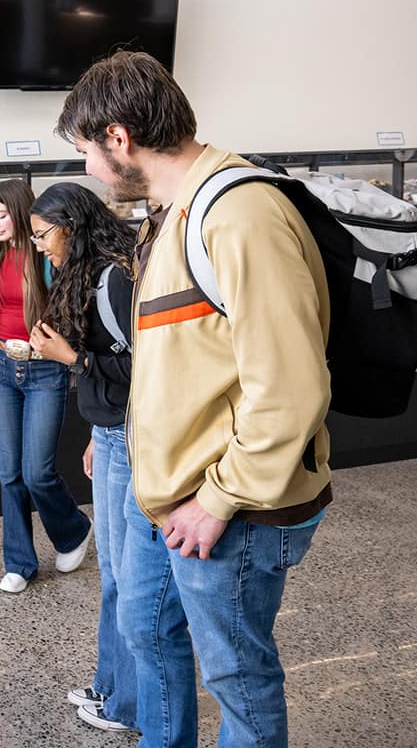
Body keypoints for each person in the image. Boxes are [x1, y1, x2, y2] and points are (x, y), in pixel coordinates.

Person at [55, 50, 332, 747]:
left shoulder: (238, 214)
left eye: (87, 150)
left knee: (236, 680)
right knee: (144, 626)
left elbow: (290, 384)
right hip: (176, 492)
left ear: (119, 138)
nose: (88, 169)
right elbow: (181, 359)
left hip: (230, 508)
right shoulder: (171, 214)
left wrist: (217, 499)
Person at [27, 183, 138, 735]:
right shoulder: (88, 274)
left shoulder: (115, 278)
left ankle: (124, 705)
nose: (41, 246)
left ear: (70, 224)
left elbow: (144, 370)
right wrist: (97, 431)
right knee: (115, 577)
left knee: (124, 577)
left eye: (44, 234)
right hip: (112, 433)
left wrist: (70, 357)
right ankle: (109, 684)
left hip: (132, 439)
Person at [0, 178, 92, 595]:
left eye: (1, 215)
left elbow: (70, 310)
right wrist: (5, 342)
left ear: (21, 212)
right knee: (10, 473)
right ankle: (20, 563)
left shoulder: (48, 256)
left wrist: (41, 346)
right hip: (4, 368)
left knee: (37, 472)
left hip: (45, 370)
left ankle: (73, 529)